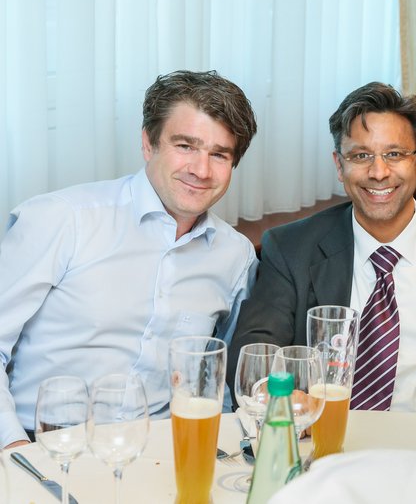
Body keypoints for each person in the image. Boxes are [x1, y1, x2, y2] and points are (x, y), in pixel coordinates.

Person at [0, 70, 258, 449]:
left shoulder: (235, 255)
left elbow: (219, 378)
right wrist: (12, 448)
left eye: (219, 154)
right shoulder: (61, 219)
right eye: (185, 146)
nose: (201, 170)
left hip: (161, 450)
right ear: (148, 144)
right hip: (42, 446)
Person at [229, 82, 416, 412]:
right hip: (326, 434)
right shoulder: (292, 249)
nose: (379, 173)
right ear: (339, 165)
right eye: (361, 156)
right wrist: (276, 398)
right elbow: (256, 351)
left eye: (394, 154)